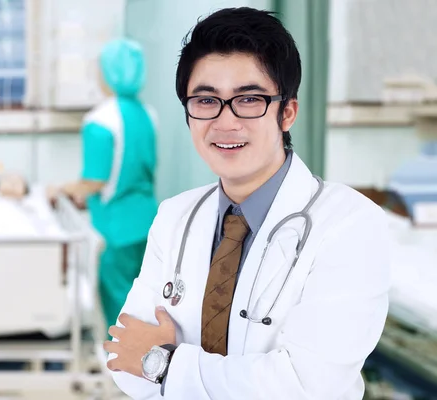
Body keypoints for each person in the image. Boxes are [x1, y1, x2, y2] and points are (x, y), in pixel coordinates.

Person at [103, 7, 391, 400]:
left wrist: (162, 363)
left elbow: (309, 386)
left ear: (287, 112)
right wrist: (154, 363)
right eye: (206, 101)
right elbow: (123, 357)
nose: (225, 122)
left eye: (249, 99)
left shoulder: (351, 225)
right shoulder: (175, 216)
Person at [48, 39, 158, 330]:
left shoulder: (100, 120)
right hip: (148, 220)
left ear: (106, 73)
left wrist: (61, 190)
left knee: (118, 303)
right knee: (145, 300)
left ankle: (121, 368)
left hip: (115, 228)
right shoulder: (148, 114)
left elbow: (95, 181)